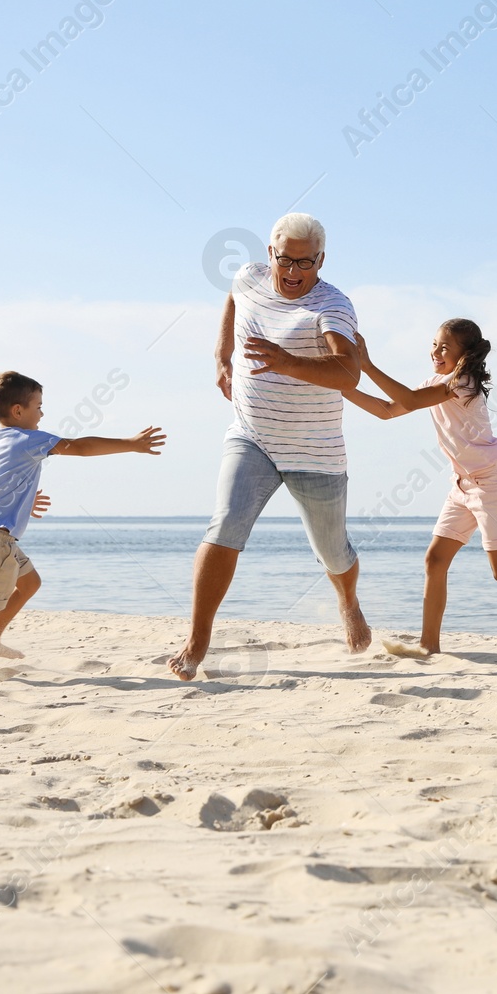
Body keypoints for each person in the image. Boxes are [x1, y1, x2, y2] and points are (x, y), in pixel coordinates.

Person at [169, 213, 371, 680]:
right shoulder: (248, 279)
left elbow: (348, 372)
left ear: (321, 260)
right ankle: (197, 642)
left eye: (306, 262)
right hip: (251, 436)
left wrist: (287, 361)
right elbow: (233, 302)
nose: (295, 271)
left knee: (333, 552)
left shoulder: (333, 305)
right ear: (270, 255)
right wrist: (222, 357)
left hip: (315, 451)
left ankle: (348, 603)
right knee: (225, 525)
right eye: (286, 260)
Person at [343, 318, 497, 655]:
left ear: (465, 355)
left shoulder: (464, 384)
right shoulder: (437, 382)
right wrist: (342, 388)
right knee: (435, 559)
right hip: (461, 485)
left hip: (491, 485)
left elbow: (410, 400)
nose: (436, 351)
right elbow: (387, 410)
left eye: (445, 347)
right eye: (434, 344)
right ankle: (429, 645)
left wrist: (366, 365)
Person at [0, 371, 164, 685]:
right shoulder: (29, 439)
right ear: (18, 411)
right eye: (38, 406)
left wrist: (22, 500)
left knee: (29, 584)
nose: (42, 413)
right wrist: (130, 444)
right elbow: (79, 447)